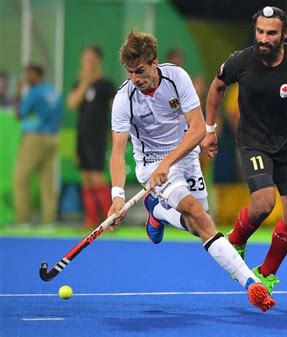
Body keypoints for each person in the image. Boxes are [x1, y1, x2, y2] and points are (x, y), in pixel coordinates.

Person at [107, 28, 275, 312]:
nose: (135, 78)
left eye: (140, 70)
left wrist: (169, 163)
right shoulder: (124, 100)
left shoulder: (177, 78)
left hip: (184, 156)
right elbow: (117, 153)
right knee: (198, 215)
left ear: (154, 61)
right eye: (129, 72)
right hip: (151, 166)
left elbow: (196, 129)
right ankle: (251, 284)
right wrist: (117, 196)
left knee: (198, 222)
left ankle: (157, 211)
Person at [201, 6, 287, 295]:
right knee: (264, 204)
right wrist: (210, 129)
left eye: (271, 33)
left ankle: (266, 273)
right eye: (260, 32)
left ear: (284, 34)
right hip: (253, 142)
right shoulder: (240, 61)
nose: (264, 38)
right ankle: (237, 241)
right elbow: (217, 87)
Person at [67, 46, 116, 229]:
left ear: (98, 61)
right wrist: (85, 82)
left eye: (91, 59)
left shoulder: (106, 85)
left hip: (97, 137)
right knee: (85, 177)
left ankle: (110, 219)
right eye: (85, 58)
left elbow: (116, 109)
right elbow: (72, 103)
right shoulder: (81, 84)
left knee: (97, 176)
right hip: (82, 137)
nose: (87, 62)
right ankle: (91, 219)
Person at [14, 64, 63, 228]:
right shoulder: (53, 92)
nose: (27, 77)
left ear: (36, 74)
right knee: (47, 181)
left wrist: (19, 94)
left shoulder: (34, 92)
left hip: (35, 138)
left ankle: (22, 220)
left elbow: (20, 113)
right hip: (52, 138)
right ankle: (49, 220)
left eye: (29, 74)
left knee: (21, 179)